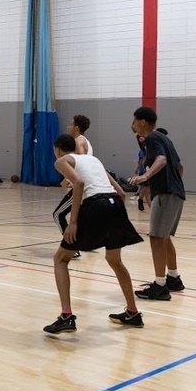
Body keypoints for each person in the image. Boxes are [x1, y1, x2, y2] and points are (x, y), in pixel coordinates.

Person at [43, 133, 145, 334]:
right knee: (115, 261)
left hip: (96, 205)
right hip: (114, 205)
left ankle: (66, 317)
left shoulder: (62, 161)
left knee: (60, 260)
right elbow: (122, 193)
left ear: (57, 149)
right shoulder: (93, 159)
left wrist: (72, 222)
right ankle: (132, 312)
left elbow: (79, 184)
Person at [128, 108, 186, 301]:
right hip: (176, 192)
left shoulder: (152, 138)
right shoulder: (164, 138)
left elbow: (161, 160)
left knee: (155, 238)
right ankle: (173, 278)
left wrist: (145, 175)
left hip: (166, 193)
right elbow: (180, 166)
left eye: (134, 121)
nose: (133, 125)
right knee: (164, 237)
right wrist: (174, 183)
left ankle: (160, 286)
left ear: (142, 122)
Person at [53, 114, 93, 258]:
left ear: (76, 127)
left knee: (58, 214)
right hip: (87, 183)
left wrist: (71, 178)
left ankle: (72, 247)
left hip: (83, 186)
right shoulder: (83, 140)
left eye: (71, 124)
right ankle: (87, 242)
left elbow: (80, 159)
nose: (68, 127)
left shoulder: (78, 141)